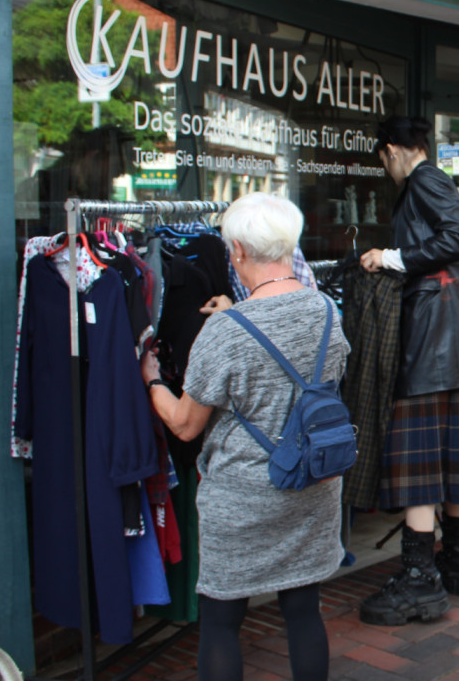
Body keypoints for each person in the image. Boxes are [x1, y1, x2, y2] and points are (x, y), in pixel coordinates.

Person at [140, 192, 348, 681]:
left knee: (221, 622)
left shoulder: (225, 331)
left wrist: (151, 380)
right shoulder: (325, 310)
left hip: (243, 499)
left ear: (235, 249)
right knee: (304, 611)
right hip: (313, 483)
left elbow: (185, 424)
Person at [357, 115, 459, 625]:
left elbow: (458, 238)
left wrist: (390, 257)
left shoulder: (424, 181)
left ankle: (420, 582)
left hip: (431, 347)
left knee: (418, 470)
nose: (386, 169)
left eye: (383, 160)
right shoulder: (434, 181)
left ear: (392, 150)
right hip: (458, 346)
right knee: (455, 463)